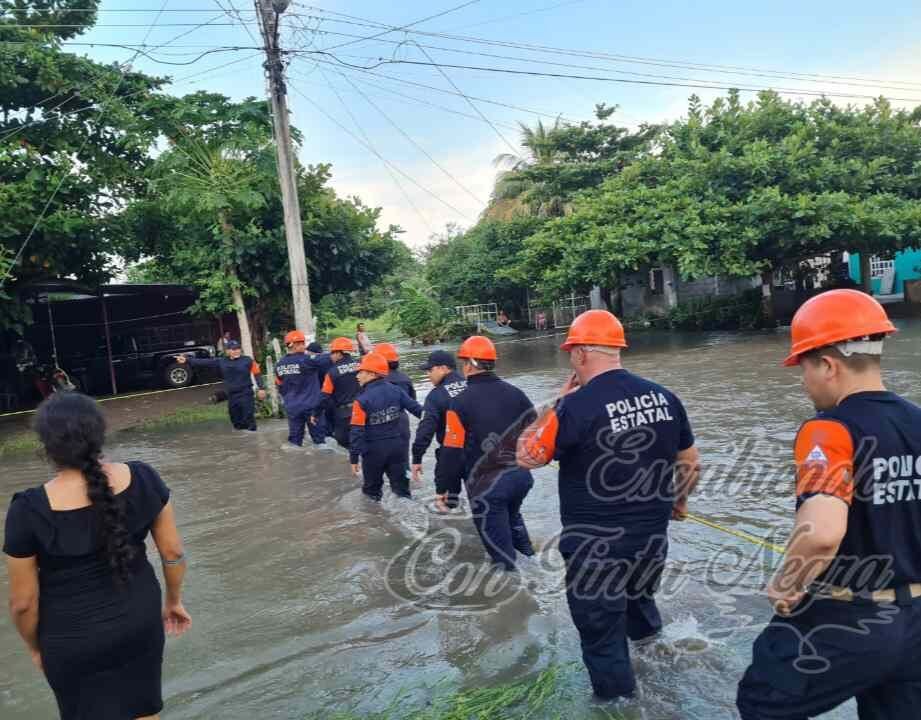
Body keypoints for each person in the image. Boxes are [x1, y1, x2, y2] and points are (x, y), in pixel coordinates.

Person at [736, 289, 921, 720]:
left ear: (827, 365)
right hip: (917, 621)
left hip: (851, 616)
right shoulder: (917, 420)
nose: (803, 382)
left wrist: (787, 582)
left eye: (803, 368)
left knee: (761, 702)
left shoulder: (830, 431)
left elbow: (821, 533)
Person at [516, 309, 700, 700]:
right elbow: (689, 462)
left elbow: (526, 456)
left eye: (570, 353)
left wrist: (555, 404)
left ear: (580, 354)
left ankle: (622, 706)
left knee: (602, 638)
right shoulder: (665, 397)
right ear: (617, 349)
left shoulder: (574, 407)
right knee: (641, 605)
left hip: (596, 549)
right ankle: (660, 662)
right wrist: (679, 503)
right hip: (651, 539)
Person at [3, 393, 191, 720]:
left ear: (47, 445)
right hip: (139, 621)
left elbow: (23, 603)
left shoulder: (27, 509)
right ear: (100, 434)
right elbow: (173, 553)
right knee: (144, 710)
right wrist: (173, 601)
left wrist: (35, 647)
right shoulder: (144, 477)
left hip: (70, 638)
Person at [440, 335, 536, 570]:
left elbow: (451, 453)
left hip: (488, 487)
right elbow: (535, 430)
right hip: (520, 478)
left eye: (463, 362)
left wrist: (448, 491)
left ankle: (521, 600)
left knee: (502, 561)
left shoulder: (459, 403)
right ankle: (534, 564)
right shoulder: (516, 393)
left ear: (469, 364)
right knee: (513, 521)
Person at [349, 352, 423, 501]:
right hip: (398, 448)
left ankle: (376, 521)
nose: (357, 376)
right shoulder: (396, 390)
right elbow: (419, 411)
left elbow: (357, 431)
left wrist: (354, 458)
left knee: (372, 493)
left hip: (373, 451)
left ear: (372, 374)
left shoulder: (362, 400)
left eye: (360, 372)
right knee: (402, 491)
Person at [411, 350, 468, 512]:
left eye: (430, 370)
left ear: (443, 368)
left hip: (452, 455)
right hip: (481, 452)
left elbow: (426, 430)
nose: (428, 374)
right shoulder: (473, 385)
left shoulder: (436, 396)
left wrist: (417, 457)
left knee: (445, 503)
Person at [176, 340, 266, 431]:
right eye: (233, 349)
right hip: (232, 396)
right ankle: (243, 440)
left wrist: (261, 388)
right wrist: (187, 360)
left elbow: (257, 374)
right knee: (236, 422)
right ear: (227, 351)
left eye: (238, 349)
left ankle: (254, 436)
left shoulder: (247, 360)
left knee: (248, 418)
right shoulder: (221, 361)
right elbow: (204, 362)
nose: (236, 351)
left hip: (246, 393)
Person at [275, 331, 328, 451]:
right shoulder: (307, 360)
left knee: (295, 443)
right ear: (292, 345)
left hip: (292, 407)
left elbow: (279, 386)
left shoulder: (279, 365)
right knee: (320, 442)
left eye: (303, 343)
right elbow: (327, 359)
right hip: (311, 407)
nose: (303, 345)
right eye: (300, 343)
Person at [376, 342, 416, 464]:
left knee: (380, 465)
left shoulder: (376, 380)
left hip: (380, 423)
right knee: (403, 463)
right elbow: (412, 402)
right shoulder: (405, 378)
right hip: (401, 422)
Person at [318, 337, 361, 450]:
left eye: (332, 352)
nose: (330, 356)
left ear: (338, 353)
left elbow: (325, 396)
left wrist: (316, 413)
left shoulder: (332, 372)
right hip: (363, 409)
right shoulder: (361, 365)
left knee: (345, 447)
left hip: (344, 414)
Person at [307, 341, 333, 441]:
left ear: (311, 352)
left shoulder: (314, 360)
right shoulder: (330, 357)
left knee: (322, 421)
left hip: (322, 394)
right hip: (335, 395)